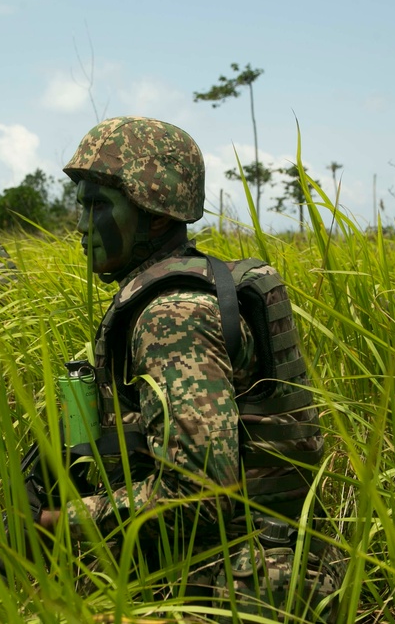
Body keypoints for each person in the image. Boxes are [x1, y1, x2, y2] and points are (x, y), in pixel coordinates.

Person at [30, 116, 344, 619]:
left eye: (98, 206)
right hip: (261, 562)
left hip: (243, 586)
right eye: (81, 203)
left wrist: (56, 523)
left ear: (155, 216)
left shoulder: (171, 316)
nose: (81, 224)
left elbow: (197, 496)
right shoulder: (191, 288)